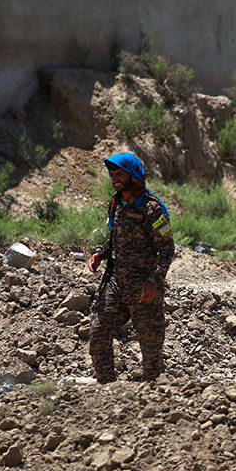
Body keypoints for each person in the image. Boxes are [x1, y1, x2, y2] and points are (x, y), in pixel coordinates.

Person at [87, 152, 174, 383]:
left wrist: (154, 281)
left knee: (151, 351)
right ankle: (108, 388)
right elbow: (115, 239)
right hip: (116, 283)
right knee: (98, 332)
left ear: (133, 175)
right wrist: (100, 254)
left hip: (144, 288)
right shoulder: (116, 204)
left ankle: (152, 394)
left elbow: (167, 249)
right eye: (112, 174)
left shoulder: (151, 208)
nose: (115, 178)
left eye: (119, 173)